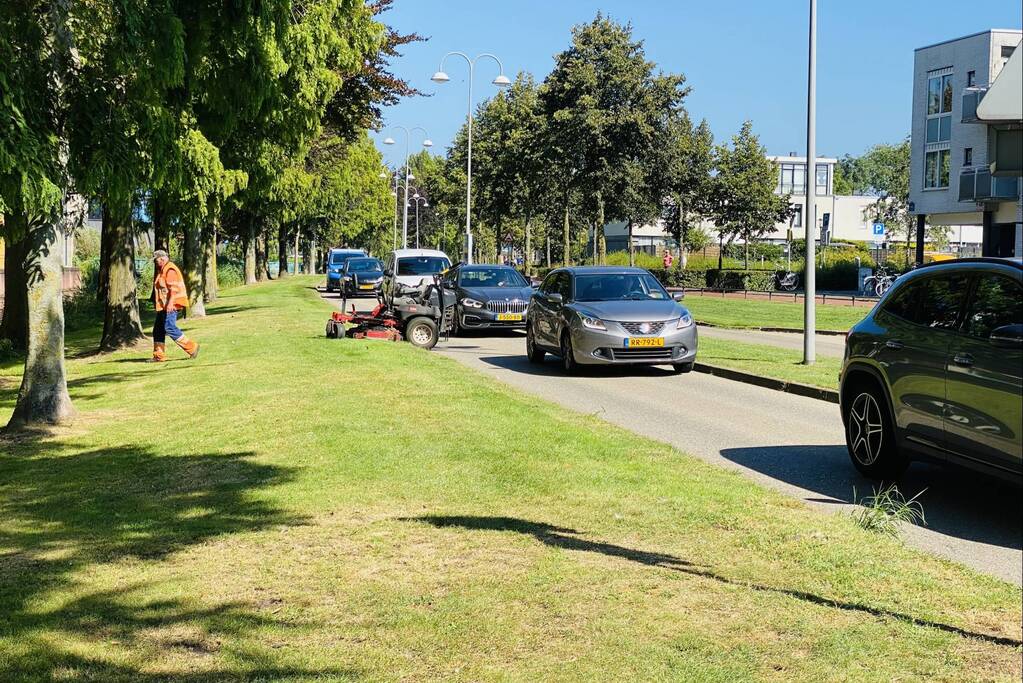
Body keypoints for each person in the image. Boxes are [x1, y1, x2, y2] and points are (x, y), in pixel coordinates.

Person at [150, 249, 200, 362]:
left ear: (162, 259)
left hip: (171, 305)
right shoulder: (163, 270)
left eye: (156, 260)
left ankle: (192, 347)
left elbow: (174, 289)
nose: (155, 263)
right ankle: (159, 356)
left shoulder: (170, 269)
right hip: (164, 305)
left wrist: (170, 303)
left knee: (169, 327)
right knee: (158, 330)